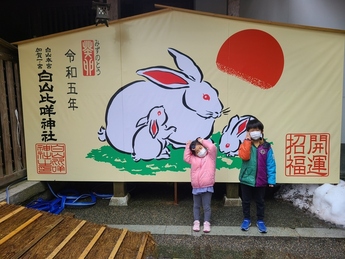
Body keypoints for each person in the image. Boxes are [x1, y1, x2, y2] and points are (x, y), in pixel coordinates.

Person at [238, 118, 276, 233]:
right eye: (252, 130)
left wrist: (271, 180)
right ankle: (246, 219)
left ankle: (260, 220)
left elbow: (271, 164)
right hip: (246, 179)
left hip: (261, 180)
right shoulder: (245, 144)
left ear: (262, 131)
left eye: (257, 129)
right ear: (248, 132)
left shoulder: (266, 147)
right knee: (246, 201)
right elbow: (244, 156)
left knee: (260, 201)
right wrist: (247, 141)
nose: (255, 132)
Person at [184, 137, 217, 233]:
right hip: (196, 187)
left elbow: (212, 147)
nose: (199, 151)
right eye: (197, 151)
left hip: (207, 187)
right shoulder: (193, 159)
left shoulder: (211, 157)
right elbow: (186, 158)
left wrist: (202, 141)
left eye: (200, 148)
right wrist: (188, 147)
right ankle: (196, 221)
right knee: (196, 206)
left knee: (206, 206)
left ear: (203, 146)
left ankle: (207, 222)